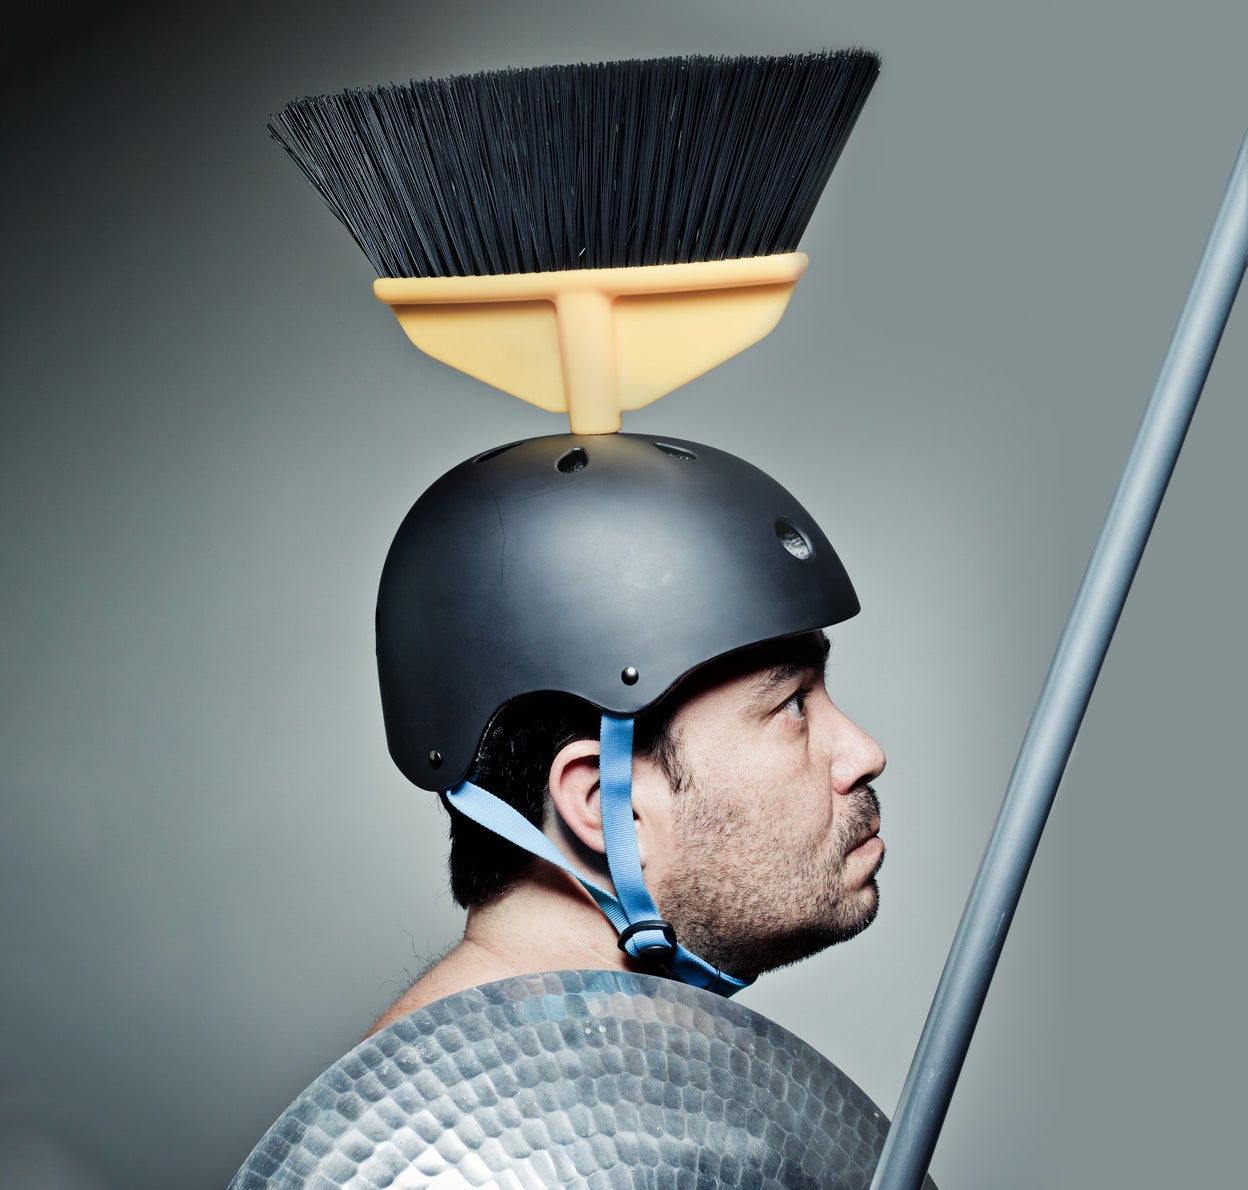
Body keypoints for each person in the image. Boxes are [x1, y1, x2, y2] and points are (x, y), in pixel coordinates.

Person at [365, 430, 886, 1035]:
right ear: (604, 805)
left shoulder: (591, 1074)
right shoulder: (457, 1096)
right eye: (791, 704)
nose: (865, 754)